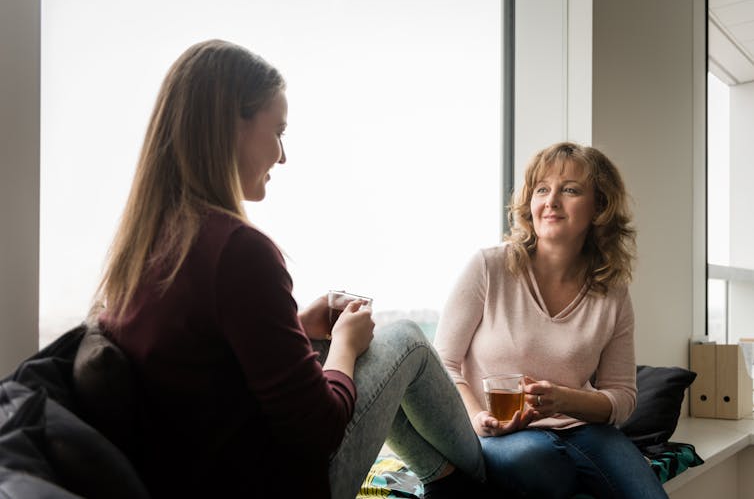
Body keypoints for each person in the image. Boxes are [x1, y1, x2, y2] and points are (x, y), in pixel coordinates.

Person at [90, 39, 486, 499]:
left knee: (343, 351)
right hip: (272, 483)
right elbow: (319, 430)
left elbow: (205, 361)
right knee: (407, 342)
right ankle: (493, 482)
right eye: (277, 131)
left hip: (188, 471)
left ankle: (451, 482)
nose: (282, 155)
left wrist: (296, 326)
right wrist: (343, 344)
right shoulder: (238, 249)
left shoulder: (145, 243)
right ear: (229, 127)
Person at [433, 142, 669, 498]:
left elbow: (622, 397)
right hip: (503, 432)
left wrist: (564, 400)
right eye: (542, 189)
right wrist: (477, 419)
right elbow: (443, 363)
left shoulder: (612, 291)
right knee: (538, 462)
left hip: (585, 429)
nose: (551, 201)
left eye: (570, 190)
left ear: (599, 207)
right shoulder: (489, 266)